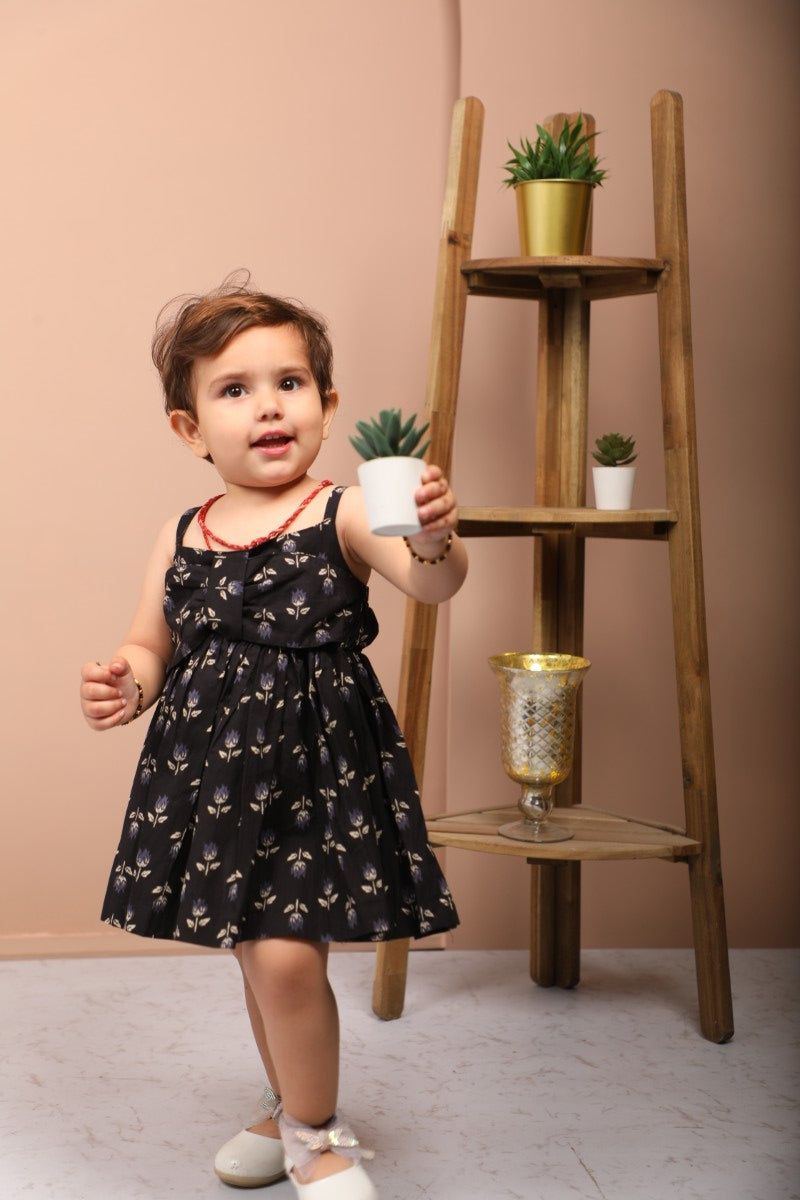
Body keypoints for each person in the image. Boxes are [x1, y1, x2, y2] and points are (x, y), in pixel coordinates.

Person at [79, 278, 467, 1199]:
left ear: (326, 406)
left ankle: (316, 1135)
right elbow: (152, 643)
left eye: (290, 384)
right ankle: (288, 1108)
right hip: (212, 777)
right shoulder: (182, 533)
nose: (268, 407)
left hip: (317, 770)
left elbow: (433, 585)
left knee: (287, 954)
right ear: (191, 428)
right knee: (259, 954)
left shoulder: (344, 512)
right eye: (235, 389)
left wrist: (434, 537)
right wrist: (126, 682)